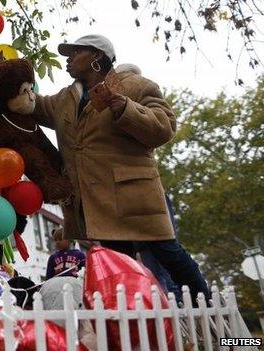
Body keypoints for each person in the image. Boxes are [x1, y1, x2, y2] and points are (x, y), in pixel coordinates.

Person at [32, 34, 210, 301]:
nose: (67, 59)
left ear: (96, 56)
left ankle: (206, 307)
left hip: (134, 196)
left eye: (75, 52)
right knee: (120, 272)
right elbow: (34, 105)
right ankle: (137, 328)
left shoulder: (135, 85)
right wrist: (6, 78)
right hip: (98, 204)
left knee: (169, 255)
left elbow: (164, 127)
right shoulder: (65, 99)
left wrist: (124, 107)